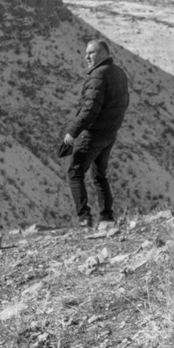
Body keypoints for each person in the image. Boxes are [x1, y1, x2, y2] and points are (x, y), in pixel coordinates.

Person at [55, 38, 130, 227]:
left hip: (94, 134)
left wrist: (72, 132)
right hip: (110, 134)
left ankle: (84, 218)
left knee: (75, 172)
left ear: (103, 53)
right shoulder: (119, 72)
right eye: (86, 53)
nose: (86, 57)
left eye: (91, 53)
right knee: (99, 175)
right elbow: (124, 103)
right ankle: (106, 217)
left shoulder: (98, 76)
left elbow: (89, 109)